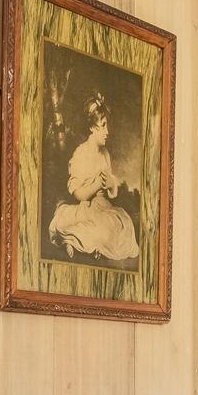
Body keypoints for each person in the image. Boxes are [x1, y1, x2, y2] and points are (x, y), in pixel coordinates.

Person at [48, 93, 139, 266]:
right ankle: (73, 239)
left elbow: (112, 188)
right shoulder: (80, 154)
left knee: (124, 222)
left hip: (104, 208)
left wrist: (112, 184)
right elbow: (78, 194)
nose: (107, 132)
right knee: (103, 227)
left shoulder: (105, 154)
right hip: (87, 208)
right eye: (103, 126)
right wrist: (96, 184)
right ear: (91, 127)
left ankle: (92, 245)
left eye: (107, 126)